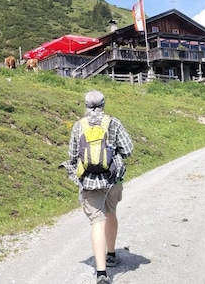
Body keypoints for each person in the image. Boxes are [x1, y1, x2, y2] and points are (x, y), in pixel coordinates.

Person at [62, 90, 134, 284]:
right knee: (111, 213)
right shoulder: (113, 123)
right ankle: (111, 254)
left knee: (97, 222)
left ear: (85, 105)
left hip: (88, 182)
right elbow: (128, 150)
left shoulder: (79, 126)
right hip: (112, 179)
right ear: (104, 104)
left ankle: (101, 273)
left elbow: (72, 155)